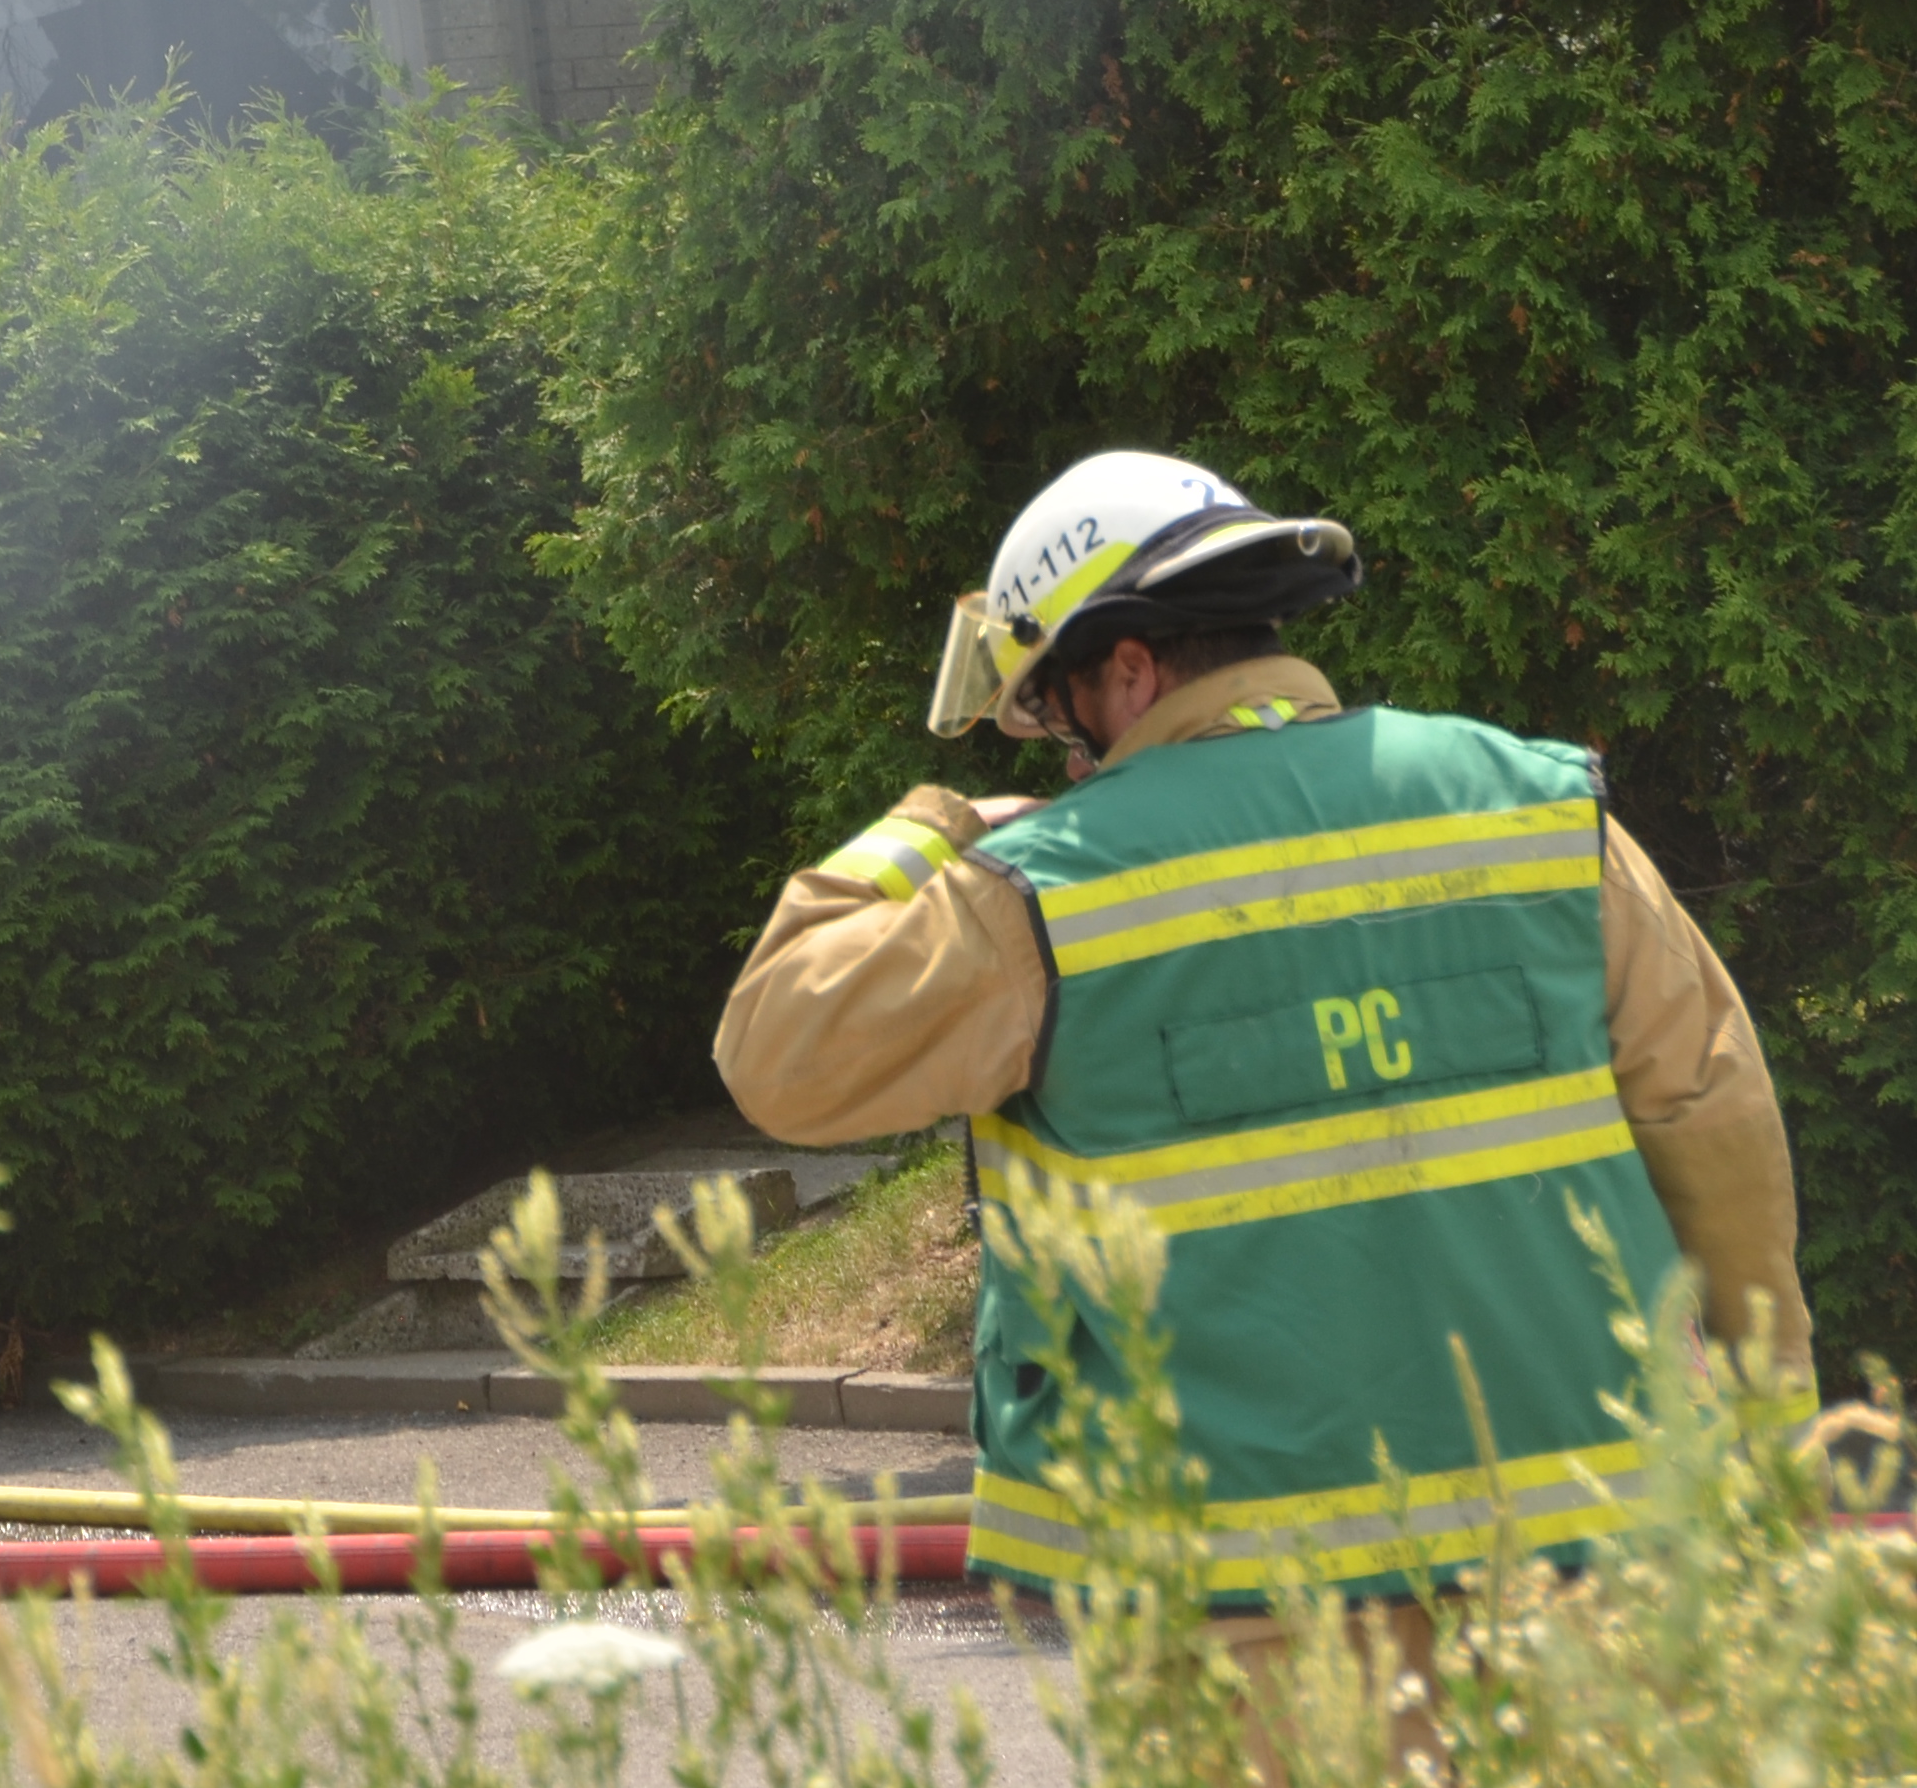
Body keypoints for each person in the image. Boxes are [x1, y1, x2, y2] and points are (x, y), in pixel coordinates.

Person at [718, 451, 1812, 1742]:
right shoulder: (1531, 806)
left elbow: (774, 1048)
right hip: (1608, 1565)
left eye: (1062, 721)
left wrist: (940, 823)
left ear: (1128, 671)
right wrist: (1767, 1427)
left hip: (1255, 1616)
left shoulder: (1039, 892)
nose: (1072, 766)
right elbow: (1713, 1114)